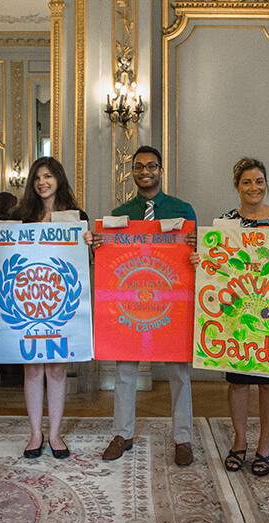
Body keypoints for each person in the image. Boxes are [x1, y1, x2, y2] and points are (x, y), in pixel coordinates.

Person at [86, 145, 198, 467]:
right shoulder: (120, 214)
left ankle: (183, 437)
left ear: (161, 171)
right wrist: (98, 243)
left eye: (151, 166)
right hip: (132, 304)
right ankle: (122, 434)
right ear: (132, 172)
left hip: (172, 303)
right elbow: (112, 258)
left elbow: (194, 256)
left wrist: (197, 243)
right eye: (139, 167)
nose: (145, 172)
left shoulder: (184, 210)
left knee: (179, 372)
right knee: (125, 371)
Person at [0, 156, 89, 460]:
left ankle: (55, 434)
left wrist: (90, 242)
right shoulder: (20, 215)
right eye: (37, 178)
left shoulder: (76, 216)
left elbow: (86, 260)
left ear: (59, 178)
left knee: (57, 369)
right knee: (32, 369)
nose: (42, 182)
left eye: (48, 176)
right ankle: (36, 433)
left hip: (61, 305)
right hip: (27, 301)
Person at [213, 157, 269, 476]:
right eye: (246, 182)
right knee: (237, 382)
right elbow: (216, 266)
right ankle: (239, 441)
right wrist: (200, 259)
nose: (254, 187)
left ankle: (265, 444)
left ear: (266, 184)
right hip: (237, 315)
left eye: (259, 181)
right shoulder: (225, 223)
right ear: (237, 187)